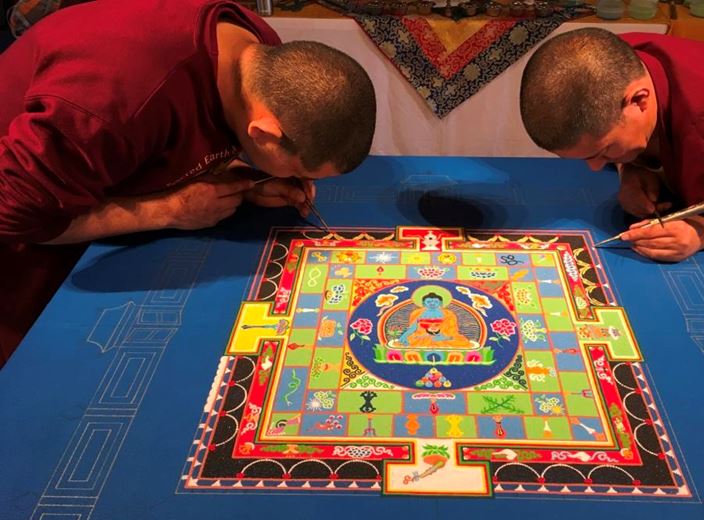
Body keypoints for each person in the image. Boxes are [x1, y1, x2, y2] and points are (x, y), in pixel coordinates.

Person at [0, 0, 377, 366]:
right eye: (302, 171)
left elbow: (202, 127)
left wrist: (248, 180)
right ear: (263, 133)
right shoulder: (109, 103)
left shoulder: (254, 49)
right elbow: (17, 218)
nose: (300, 182)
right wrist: (169, 209)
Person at [519, 28, 704, 263]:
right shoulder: (614, 61)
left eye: (604, 151)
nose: (594, 168)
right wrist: (628, 167)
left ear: (640, 101)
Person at [398, 292, 472, 348]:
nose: (432, 304)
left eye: (436, 302)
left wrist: (445, 336)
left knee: (462, 341)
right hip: (421, 337)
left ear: (441, 303)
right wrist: (404, 335)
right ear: (424, 303)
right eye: (429, 302)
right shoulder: (417, 313)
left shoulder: (448, 314)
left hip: (443, 336)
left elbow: (453, 329)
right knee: (405, 341)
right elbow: (413, 327)